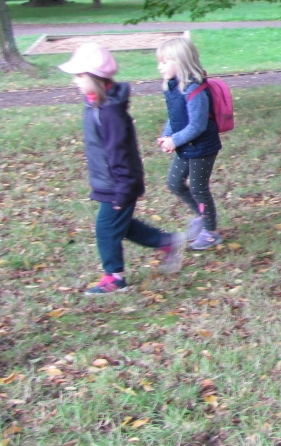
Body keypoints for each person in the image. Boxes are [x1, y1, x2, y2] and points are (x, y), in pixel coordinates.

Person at [58, 43, 186, 295]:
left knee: (106, 229)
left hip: (119, 184)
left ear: (95, 78)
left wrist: (123, 191)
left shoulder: (109, 113)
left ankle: (114, 278)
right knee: (121, 225)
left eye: (80, 75)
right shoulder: (95, 104)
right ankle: (168, 242)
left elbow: (120, 154)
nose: (75, 81)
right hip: (109, 181)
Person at [156, 37, 224, 251]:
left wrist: (174, 140)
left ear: (181, 62)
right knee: (174, 182)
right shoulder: (174, 87)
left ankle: (211, 233)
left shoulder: (195, 91)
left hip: (202, 147)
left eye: (164, 62)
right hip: (186, 145)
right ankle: (204, 216)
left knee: (198, 188)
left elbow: (197, 126)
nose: (159, 67)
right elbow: (175, 116)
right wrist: (167, 135)